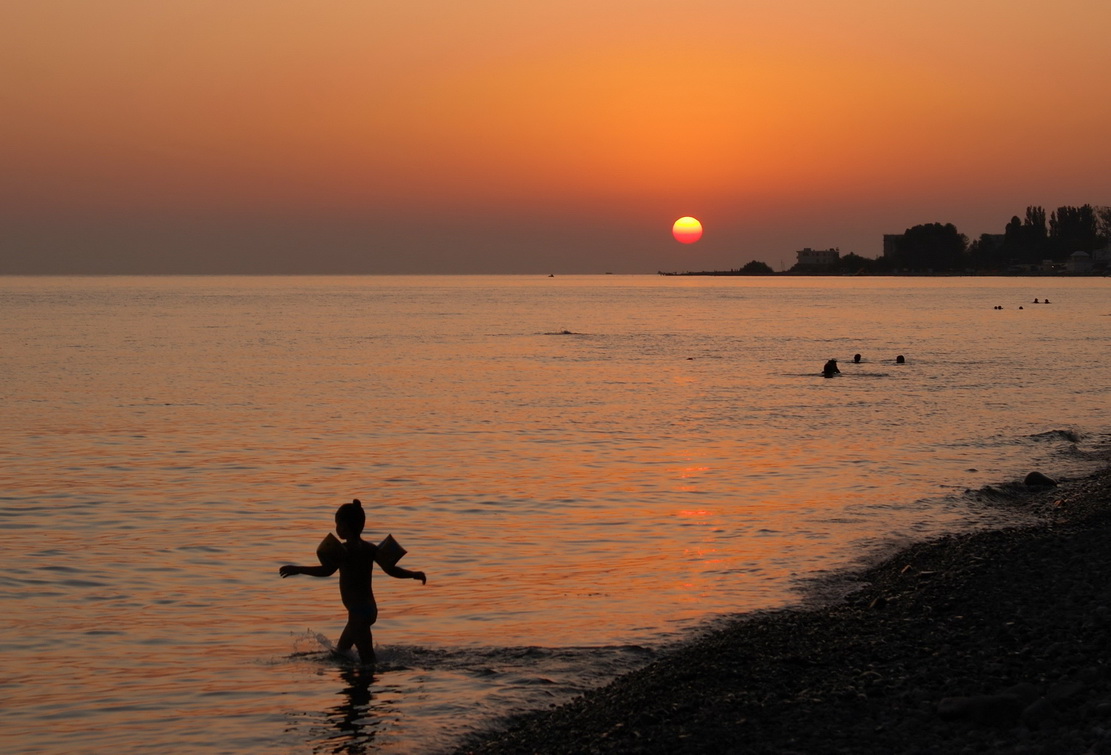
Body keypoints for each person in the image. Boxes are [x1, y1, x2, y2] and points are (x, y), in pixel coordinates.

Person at [280, 499, 426, 664]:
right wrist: (413, 574)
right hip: (369, 609)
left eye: (337, 524)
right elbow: (391, 570)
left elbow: (326, 571)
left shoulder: (344, 551)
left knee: (368, 663)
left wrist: (298, 569)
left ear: (343, 526)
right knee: (341, 653)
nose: (336, 528)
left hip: (358, 612)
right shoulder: (370, 548)